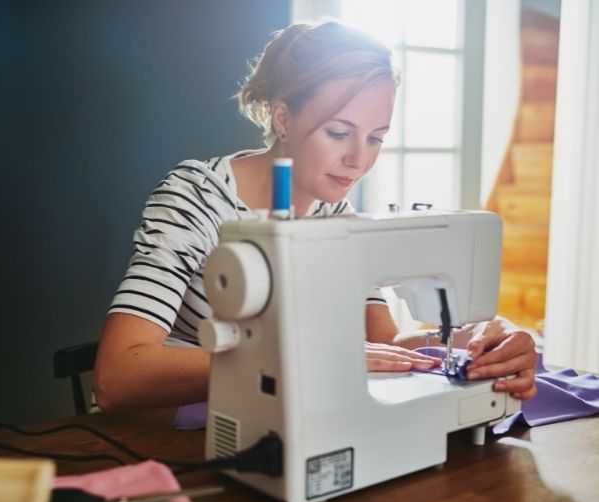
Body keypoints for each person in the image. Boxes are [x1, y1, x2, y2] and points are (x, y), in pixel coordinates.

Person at [94, 19, 537, 410]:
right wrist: (296, 361)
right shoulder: (198, 198)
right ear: (282, 118)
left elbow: (384, 341)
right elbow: (118, 376)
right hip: (171, 436)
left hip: (282, 423)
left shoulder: (335, 213)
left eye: (375, 138)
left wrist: (480, 338)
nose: (358, 160)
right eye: (339, 133)